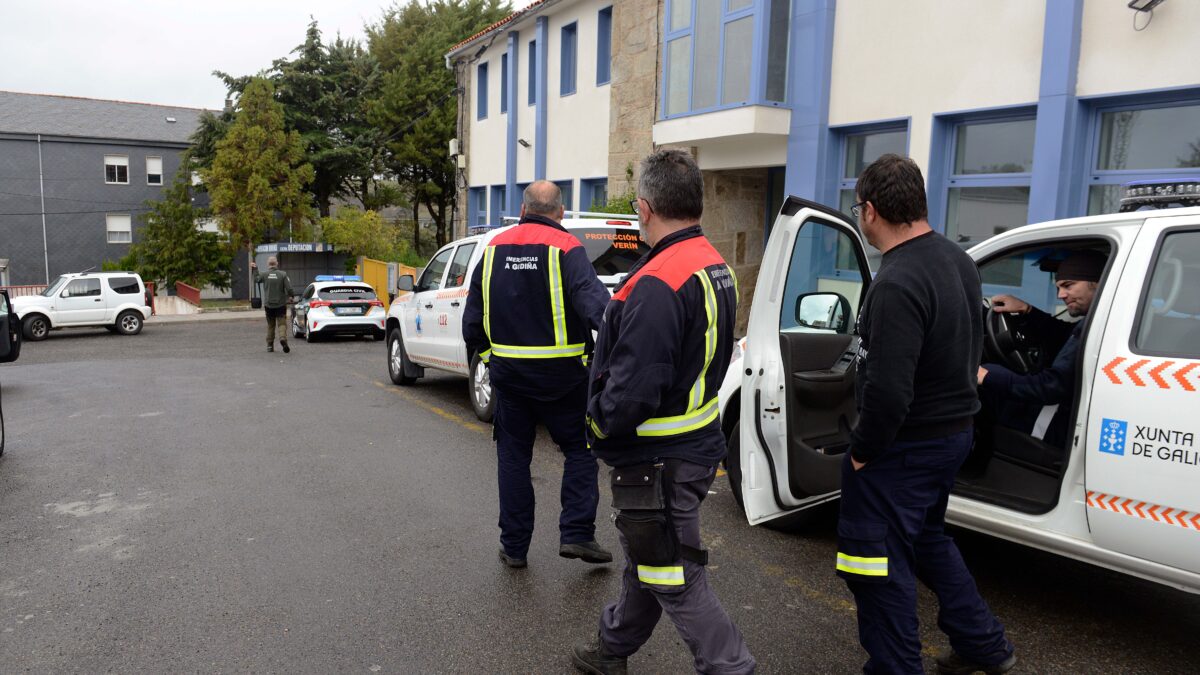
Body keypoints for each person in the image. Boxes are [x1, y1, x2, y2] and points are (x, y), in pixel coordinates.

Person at [571, 149, 755, 675]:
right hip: (691, 444)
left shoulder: (656, 281)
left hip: (658, 457)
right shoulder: (715, 264)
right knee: (648, 559)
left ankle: (731, 667)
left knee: (671, 570)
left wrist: (597, 423)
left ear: (644, 207)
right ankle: (612, 648)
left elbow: (635, 387)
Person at [840, 154, 1015, 675]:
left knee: (874, 561)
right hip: (953, 434)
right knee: (928, 538)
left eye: (857, 210)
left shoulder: (895, 283)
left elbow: (890, 391)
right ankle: (986, 645)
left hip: (903, 446)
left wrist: (863, 452)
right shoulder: (957, 261)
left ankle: (897, 667)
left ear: (870, 211)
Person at [462, 180, 613, 569]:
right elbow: (598, 309)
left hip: (511, 379)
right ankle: (577, 534)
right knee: (580, 451)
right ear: (560, 213)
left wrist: (493, 359)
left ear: (524, 210)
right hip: (565, 379)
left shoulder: (492, 249)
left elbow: (472, 324)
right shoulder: (567, 248)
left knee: (513, 457)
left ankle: (514, 548)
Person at [977, 250, 1107, 448]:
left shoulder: (1101, 326)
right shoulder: (1097, 321)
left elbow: (1051, 387)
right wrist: (1027, 310)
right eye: (1058, 288)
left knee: (985, 392)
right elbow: (1065, 334)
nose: (1060, 295)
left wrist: (985, 375)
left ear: (1097, 283)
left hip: (1057, 421)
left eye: (1068, 285)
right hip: (1068, 411)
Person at [251, 257, 293, 353]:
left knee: (271, 325)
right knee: (282, 324)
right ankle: (283, 338)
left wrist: (255, 269)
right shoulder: (283, 275)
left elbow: (256, 279)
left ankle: (270, 346)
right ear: (277, 263)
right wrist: (291, 296)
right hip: (280, 305)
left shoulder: (264, 274)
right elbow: (289, 288)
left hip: (268, 305)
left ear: (268, 264)